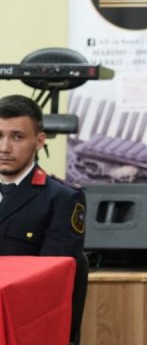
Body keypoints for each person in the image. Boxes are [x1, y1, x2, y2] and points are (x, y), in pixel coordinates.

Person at [0, 94, 88, 329]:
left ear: (39, 141)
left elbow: (50, 283)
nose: (4, 148)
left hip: (20, 323)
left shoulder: (62, 199)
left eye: (17, 137)